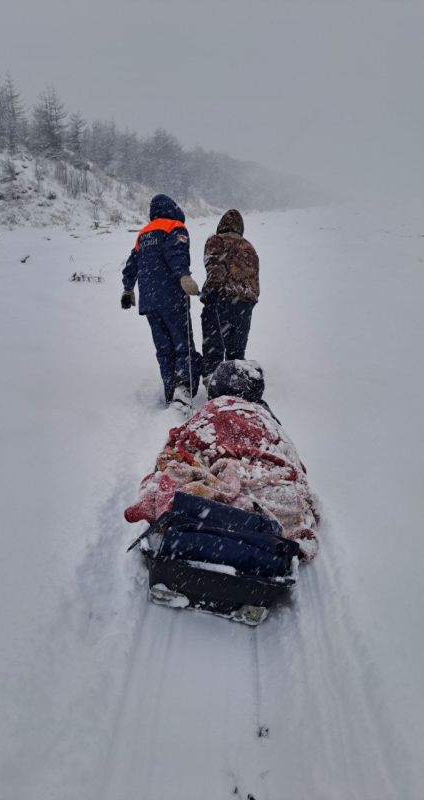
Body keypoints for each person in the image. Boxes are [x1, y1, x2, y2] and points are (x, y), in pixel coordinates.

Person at [124, 360, 319, 560]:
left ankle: (212, 523)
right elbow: (295, 466)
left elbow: (179, 446)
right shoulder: (271, 422)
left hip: (223, 498)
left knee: (175, 474)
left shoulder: (214, 407)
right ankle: (256, 530)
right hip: (276, 495)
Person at [121, 194, 202, 409]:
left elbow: (131, 264)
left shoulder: (143, 234)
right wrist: (184, 275)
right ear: (173, 208)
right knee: (183, 343)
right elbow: (176, 253)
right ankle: (183, 388)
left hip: (149, 302)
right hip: (172, 297)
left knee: (164, 347)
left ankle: (170, 390)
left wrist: (128, 288)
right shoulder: (175, 227)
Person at [200, 209, 259, 386]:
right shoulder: (249, 247)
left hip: (221, 301)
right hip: (245, 305)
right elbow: (254, 278)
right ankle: (236, 389)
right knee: (236, 352)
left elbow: (215, 267)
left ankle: (213, 386)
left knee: (214, 350)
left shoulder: (216, 240)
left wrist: (211, 293)